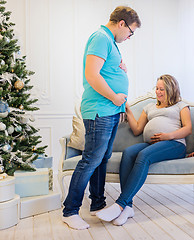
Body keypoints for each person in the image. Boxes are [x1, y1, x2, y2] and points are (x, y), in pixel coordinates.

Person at [62, 6, 141, 230]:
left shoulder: (110, 42)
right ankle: (70, 211)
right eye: (131, 32)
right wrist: (115, 97)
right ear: (122, 23)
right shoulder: (100, 37)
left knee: (102, 158)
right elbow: (92, 75)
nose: (130, 37)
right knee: (90, 160)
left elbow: (106, 71)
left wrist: (121, 70)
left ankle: (97, 204)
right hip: (100, 110)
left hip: (111, 111)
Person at [96, 74, 192, 226]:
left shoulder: (181, 105)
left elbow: (188, 129)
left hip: (175, 144)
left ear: (171, 90)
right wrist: (127, 110)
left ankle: (120, 204)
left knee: (144, 155)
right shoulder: (149, 107)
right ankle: (128, 207)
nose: (158, 92)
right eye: (157, 88)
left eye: (162, 89)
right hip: (153, 144)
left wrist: (168, 136)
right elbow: (137, 130)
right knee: (128, 153)